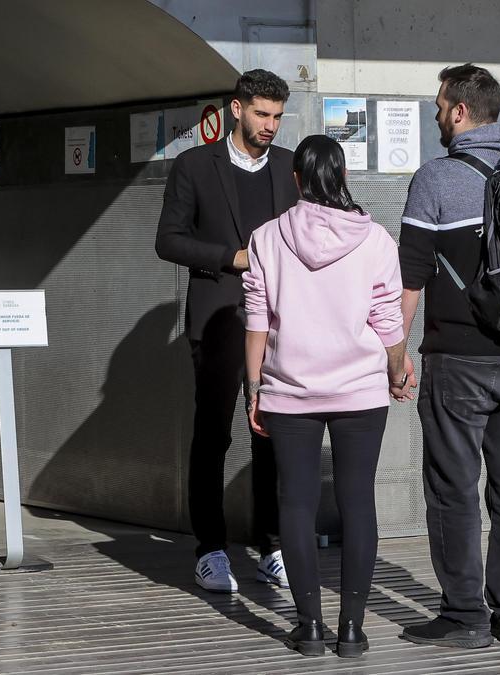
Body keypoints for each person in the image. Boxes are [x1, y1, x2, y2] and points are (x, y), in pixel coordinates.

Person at [397, 63, 500, 649]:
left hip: (460, 363)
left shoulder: (435, 179)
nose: (437, 114)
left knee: (452, 486)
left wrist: (396, 353)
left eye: (441, 105)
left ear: (461, 112)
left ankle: (464, 615)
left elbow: (410, 280)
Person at [244, 134, 411, 657]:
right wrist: (398, 369)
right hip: (361, 391)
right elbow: (387, 318)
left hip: (289, 392)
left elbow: (256, 324)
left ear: (296, 179)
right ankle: (354, 630)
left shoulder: (266, 239)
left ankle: (309, 627)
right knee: (357, 500)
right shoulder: (376, 240)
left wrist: (254, 390)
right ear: (342, 177)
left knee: (295, 504)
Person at [155, 69, 297, 592]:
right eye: (262, 114)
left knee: (272, 431)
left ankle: (271, 546)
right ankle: (211, 548)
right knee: (213, 433)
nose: (271, 126)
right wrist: (230, 258)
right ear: (236, 110)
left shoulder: (288, 166)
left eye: (278, 117)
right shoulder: (194, 165)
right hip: (218, 316)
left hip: (281, 320)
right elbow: (168, 240)